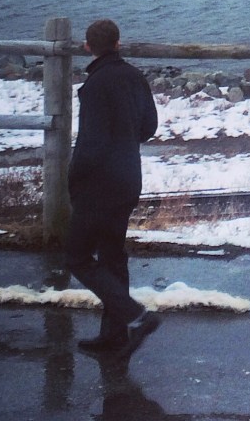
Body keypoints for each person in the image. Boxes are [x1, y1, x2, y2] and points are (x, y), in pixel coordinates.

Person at [65, 18, 160, 355]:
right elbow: (149, 126)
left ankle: (135, 315)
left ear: (88, 47)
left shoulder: (95, 86)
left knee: (76, 257)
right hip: (128, 179)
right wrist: (125, 141)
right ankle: (114, 335)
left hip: (98, 185)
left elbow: (91, 144)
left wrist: (74, 180)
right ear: (118, 43)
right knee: (112, 257)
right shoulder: (135, 77)